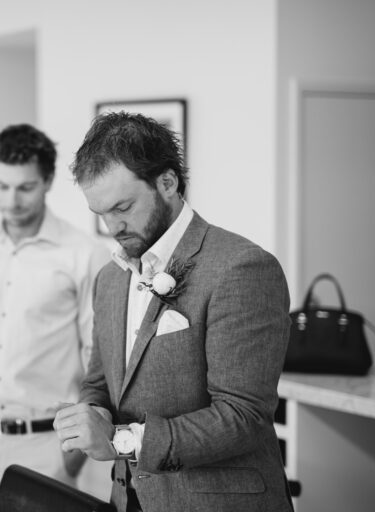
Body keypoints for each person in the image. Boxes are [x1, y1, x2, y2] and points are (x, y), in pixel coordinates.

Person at [53, 112, 294, 512]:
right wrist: (90, 413)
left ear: (167, 182)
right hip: (129, 498)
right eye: (101, 214)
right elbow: (99, 380)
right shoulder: (110, 279)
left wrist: (120, 440)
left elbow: (243, 416)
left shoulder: (242, 267)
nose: (113, 226)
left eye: (124, 207)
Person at [0, 123, 110, 512]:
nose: (11, 200)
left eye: (24, 188)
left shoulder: (83, 254)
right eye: (1, 185)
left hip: (46, 446)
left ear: (48, 180)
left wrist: (72, 453)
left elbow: (96, 356)